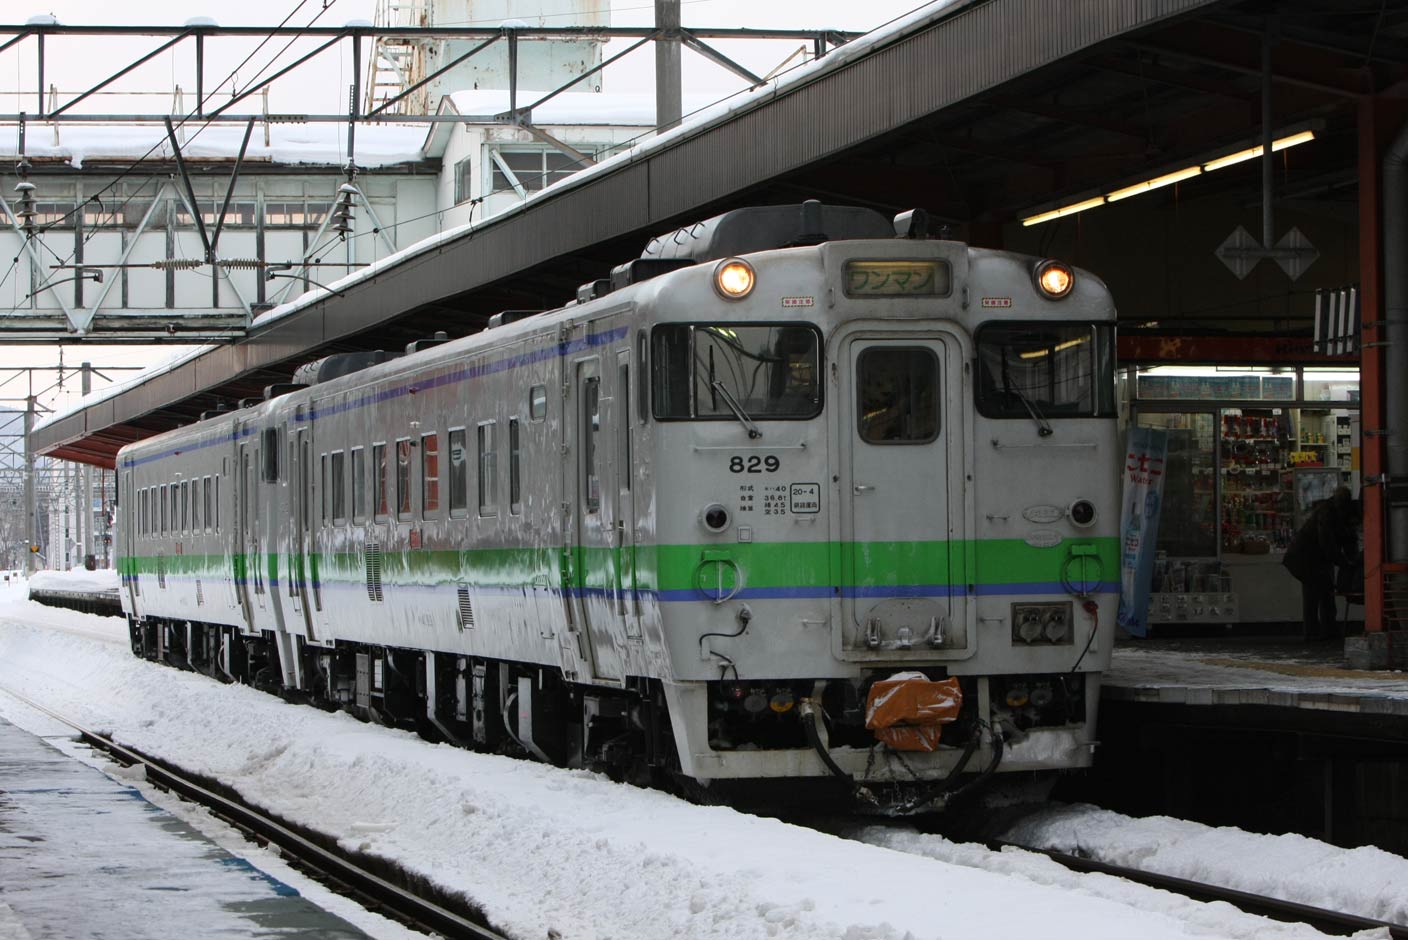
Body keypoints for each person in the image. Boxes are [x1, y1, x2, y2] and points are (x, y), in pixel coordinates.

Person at [1282, 486, 1358, 640]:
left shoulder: (1333, 511)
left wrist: (1347, 560)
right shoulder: (1327, 513)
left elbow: (1344, 540)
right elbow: (1328, 543)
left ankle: (1320, 632)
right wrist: (1345, 562)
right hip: (1306, 558)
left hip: (1309, 557)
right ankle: (1318, 633)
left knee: (1321, 593)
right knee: (1317, 593)